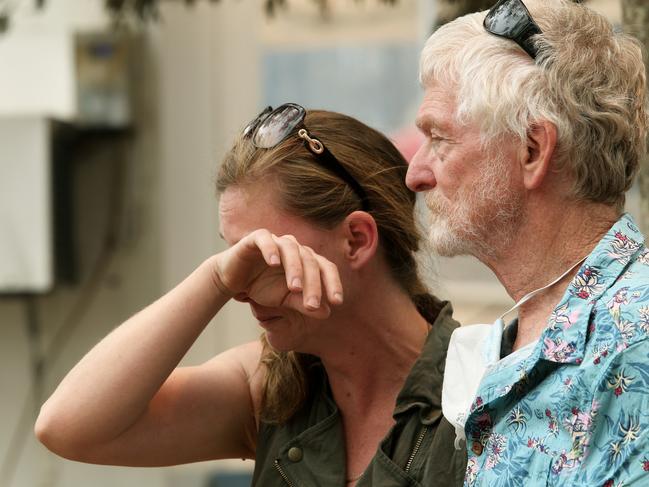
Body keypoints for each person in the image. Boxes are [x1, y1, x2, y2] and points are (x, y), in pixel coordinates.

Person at [35, 104, 467, 486]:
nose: (242, 288)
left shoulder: (478, 387)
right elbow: (66, 426)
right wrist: (213, 280)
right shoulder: (275, 387)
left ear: (355, 239)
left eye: (263, 254)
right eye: (234, 256)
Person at [405, 0, 649, 485]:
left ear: (532, 149)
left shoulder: (635, 340)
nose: (416, 174)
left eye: (440, 138)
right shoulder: (536, 331)